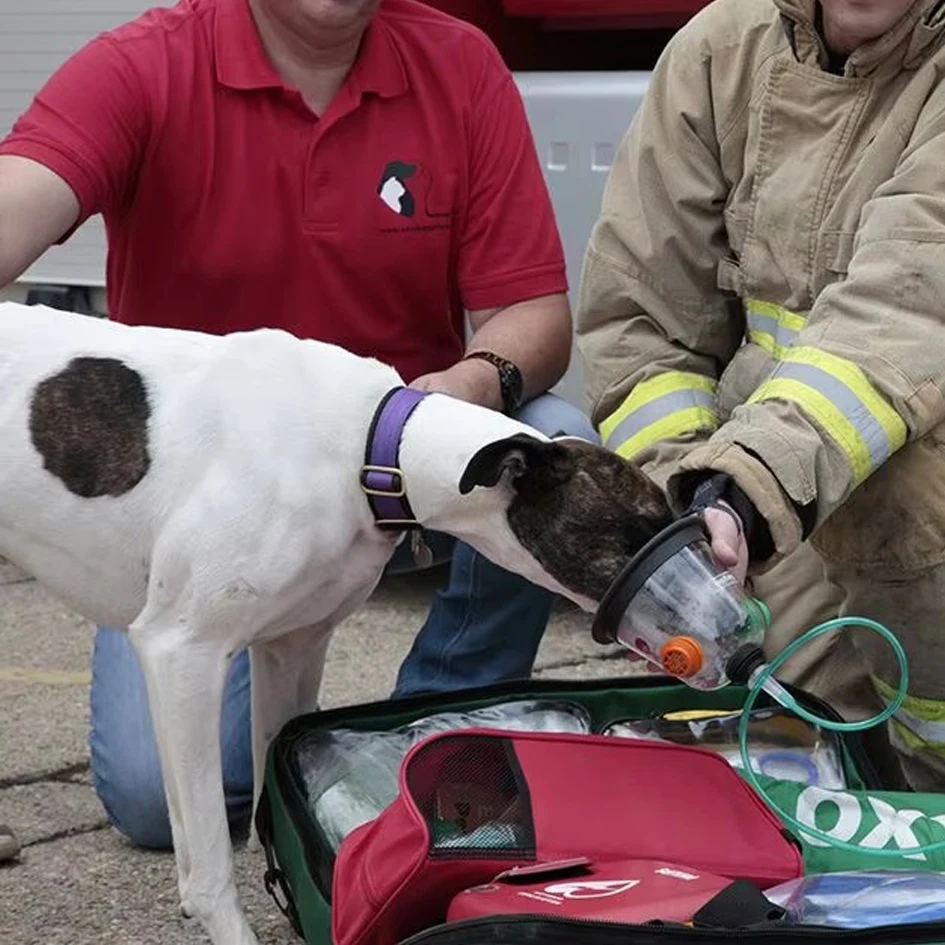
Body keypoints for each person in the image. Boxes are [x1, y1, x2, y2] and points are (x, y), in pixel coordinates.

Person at [0, 0, 598, 849]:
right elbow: (17, 199)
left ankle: (428, 728)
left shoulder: (459, 66)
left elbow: (532, 312)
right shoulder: (142, 65)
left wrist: (470, 383)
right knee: (149, 800)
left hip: (396, 478)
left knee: (555, 431)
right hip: (210, 512)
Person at [577, 0, 945, 791]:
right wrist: (685, 507)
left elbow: (903, 311)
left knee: (906, 483)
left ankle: (923, 793)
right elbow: (640, 316)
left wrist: (743, 491)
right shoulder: (720, 50)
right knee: (804, 752)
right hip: (775, 502)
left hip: (895, 505)